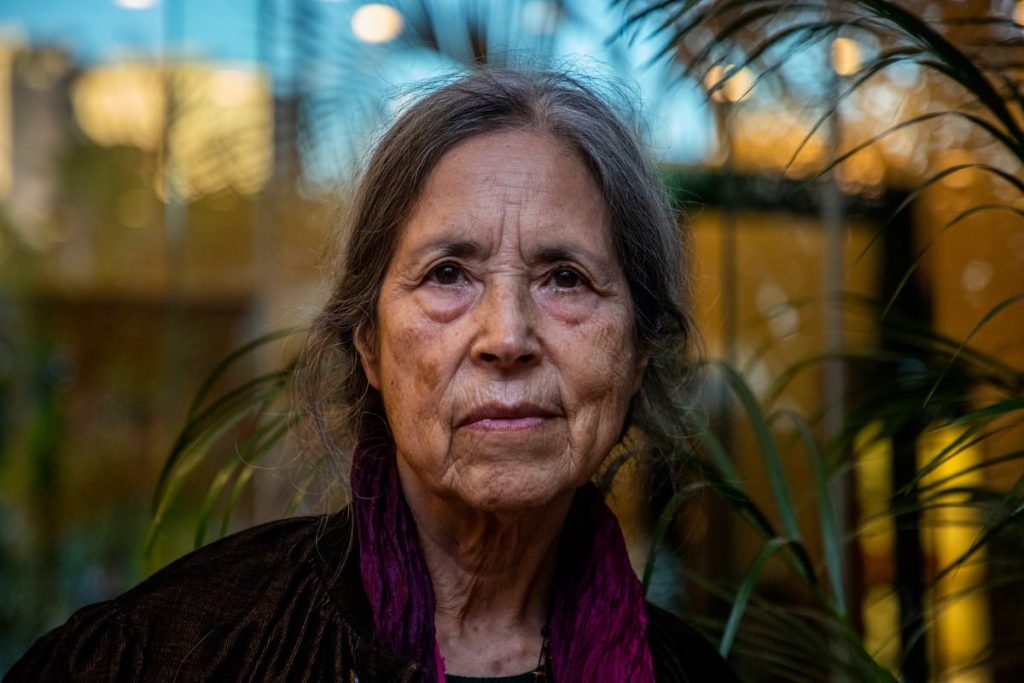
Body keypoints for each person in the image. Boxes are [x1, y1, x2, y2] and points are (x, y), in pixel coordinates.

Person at [6, 68, 739, 682]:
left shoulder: (691, 675)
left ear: (639, 351)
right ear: (368, 344)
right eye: (448, 274)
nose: (508, 336)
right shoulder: (163, 654)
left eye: (566, 278)